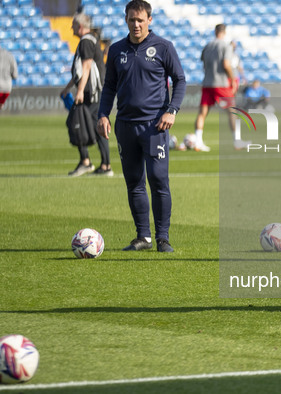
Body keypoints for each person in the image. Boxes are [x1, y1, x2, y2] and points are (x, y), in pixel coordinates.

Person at [97, 0, 186, 253]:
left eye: (140, 20)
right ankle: (143, 237)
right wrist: (103, 114)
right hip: (125, 125)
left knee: (158, 179)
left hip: (154, 126)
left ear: (149, 20)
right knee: (134, 182)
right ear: (125, 20)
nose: (135, 24)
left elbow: (179, 79)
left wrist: (172, 110)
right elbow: (109, 87)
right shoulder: (115, 50)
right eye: (131, 20)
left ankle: (163, 238)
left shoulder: (163, 47)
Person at [61, 13, 113, 177]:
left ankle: (88, 162)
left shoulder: (85, 42)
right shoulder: (91, 40)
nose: (72, 28)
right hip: (95, 90)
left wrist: (80, 91)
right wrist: (68, 87)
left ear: (81, 26)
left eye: (74, 25)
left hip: (92, 92)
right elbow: (80, 71)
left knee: (78, 123)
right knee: (97, 126)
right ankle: (104, 165)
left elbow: (86, 68)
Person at [193, 24, 250, 151]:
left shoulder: (207, 46)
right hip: (221, 84)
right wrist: (232, 80)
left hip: (207, 83)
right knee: (232, 112)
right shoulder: (226, 46)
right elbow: (226, 64)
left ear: (215, 32)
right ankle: (237, 141)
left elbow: (204, 64)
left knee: (202, 113)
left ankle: (198, 141)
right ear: (224, 32)